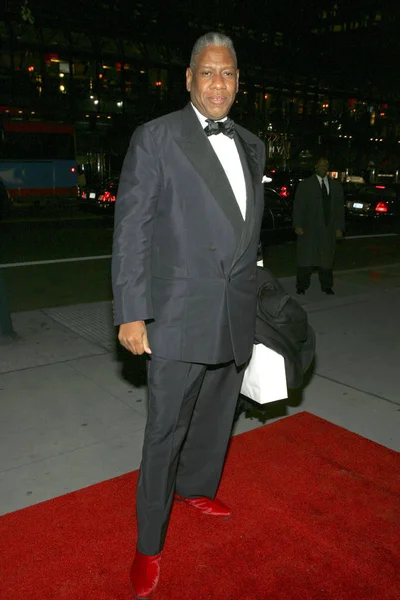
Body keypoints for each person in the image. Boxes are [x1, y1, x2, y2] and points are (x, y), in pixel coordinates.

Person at [112, 32, 265, 599]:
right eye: (208, 73)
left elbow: (244, 233)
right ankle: (148, 545)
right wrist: (131, 312)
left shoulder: (252, 143)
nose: (218, 83)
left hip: (233, 314)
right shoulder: (155, 138)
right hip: (175, 317)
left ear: (238, 82)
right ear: (188, 78)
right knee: (163, 433)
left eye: (227, 74)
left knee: (216, 416)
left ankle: (197, 485)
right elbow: (132, 230)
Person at [293, 156, 345, 295]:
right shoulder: (305, 185)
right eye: (321, 165)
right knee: (306, 260)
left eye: (326, 165)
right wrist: (298, 224)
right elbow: (298, 206)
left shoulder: (335, 186)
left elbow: (340, 209)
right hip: (309, 229)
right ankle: (302, 286)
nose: (324, 167)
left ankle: (327, 286)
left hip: (328, 229)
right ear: (315, 167)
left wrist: (339, 227)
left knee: (326, 261)